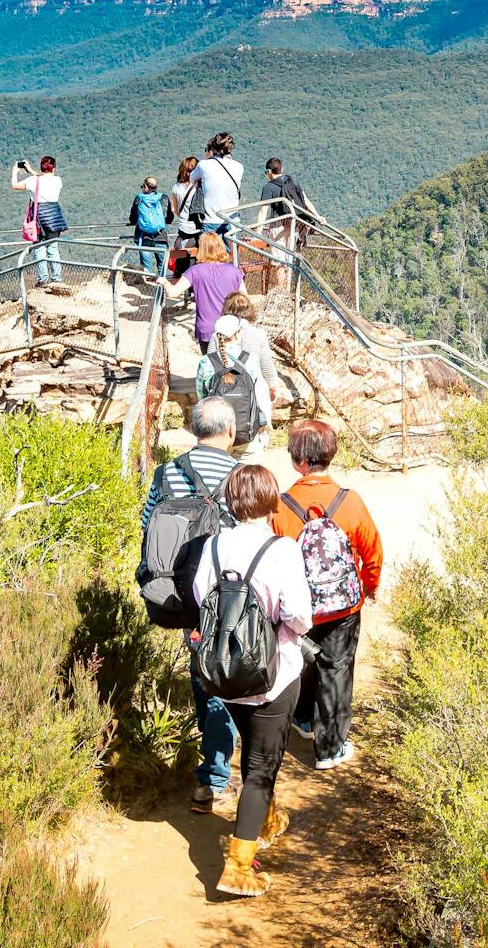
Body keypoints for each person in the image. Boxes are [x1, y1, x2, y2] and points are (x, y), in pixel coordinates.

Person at [190, 463, 314, 898]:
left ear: (230, 501)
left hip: (227, 673)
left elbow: (201, 596)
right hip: (273, 672)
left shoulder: (214, 546)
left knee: (254, 752)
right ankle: (239, 866)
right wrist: (284, 628)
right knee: (261, 769)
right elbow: (299, 614)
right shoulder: (282, 549)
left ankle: (264, 819)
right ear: (271, 500)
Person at [140, 397, 243, 815]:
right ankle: (215, 775)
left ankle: (213, 764)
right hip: (225, 595)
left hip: (180, 589)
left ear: (192, 430)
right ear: (231, 431)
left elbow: (148, 523)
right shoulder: (240, 476)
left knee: (201, 668)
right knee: (222, 672)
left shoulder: (168, 471)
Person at [270, 419, 383, 770]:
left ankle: (302, 720)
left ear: (297, 461)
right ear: (331, 455)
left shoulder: (281, 505)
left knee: (304, 661)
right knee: (337, 668)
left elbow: (274, 557)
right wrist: (369, 585)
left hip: (299, 607)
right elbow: (372, 550)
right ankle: (330, 747)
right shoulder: (349, 501)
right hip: (343, 608)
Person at [196, 314, 273, 457]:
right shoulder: (250, 360)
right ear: (238, 333)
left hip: (215, 435)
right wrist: (266, 423)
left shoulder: (206, 362)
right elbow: (260, 394)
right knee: (246, 477)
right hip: (246, 432)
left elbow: (202, 397)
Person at [159, 232, 246, 353]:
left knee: (211, 366)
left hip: (206, 329)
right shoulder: (234, 271)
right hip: (232, 326)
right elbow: (245, 299)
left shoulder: (194, 271)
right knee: (232, 365)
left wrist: (164, 282)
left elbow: (173, 293)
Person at [12, 156, 68, 285]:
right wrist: (31, 170)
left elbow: (15, 185)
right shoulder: (58, 181)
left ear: (41, 167)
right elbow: (44, 178)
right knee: (53, 248)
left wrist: (15, 172)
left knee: (39, 248)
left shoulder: (33, 181)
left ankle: (43, 279)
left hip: (39, 217)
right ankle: (57, 278)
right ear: (53, 168)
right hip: (54, 217)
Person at [189, 132, 244, 244]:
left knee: (209, 259)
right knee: (232, 258)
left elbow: (192, 179)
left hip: (211, 221)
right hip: (232, 221)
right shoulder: (239, 167)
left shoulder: (204, 165)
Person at [221, 291, 279, 394]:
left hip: (224, 389)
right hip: (251, 390)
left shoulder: (217, 335)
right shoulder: (258, 334)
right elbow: (266, 366)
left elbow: (210, 362)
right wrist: (273, 386)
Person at [127, 175, 169, 278]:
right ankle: (161, 291)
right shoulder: (163, 197)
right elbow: (169, 217)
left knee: (147, 270)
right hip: (161, 237)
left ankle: (148, 289)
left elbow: (132, 218)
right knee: (162, 268)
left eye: (142, 186)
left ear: (146, 187)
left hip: (143, 237)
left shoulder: (139, 198)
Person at [168, 156, 200, 280]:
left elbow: (174, 210)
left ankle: (181, 278)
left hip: (182, 227)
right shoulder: (198, 187)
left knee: (182, 253)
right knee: (196, 255)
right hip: (197, 228)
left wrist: (183, 216)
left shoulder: (176, 187)